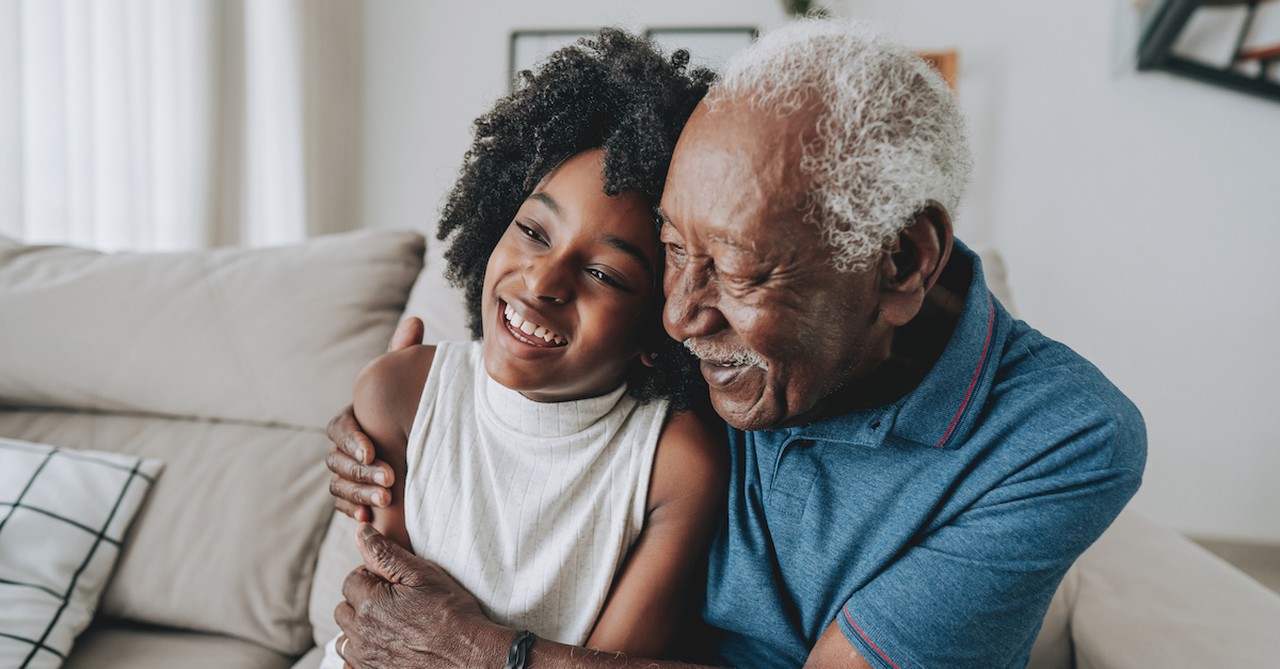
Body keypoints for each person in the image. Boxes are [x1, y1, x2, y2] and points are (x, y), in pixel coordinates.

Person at [326, 17, 1146, 669]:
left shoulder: (1060, 436)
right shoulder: (702, 347)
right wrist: (395, 418)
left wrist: (484, 655)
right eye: (675, 249)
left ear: (901, 263)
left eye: (739, 271)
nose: (679, 317)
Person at [318, 29, 727, 669]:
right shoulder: (398, 392)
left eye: (604, 274)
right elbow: (386, 631)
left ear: (660, 328)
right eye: (534, 231)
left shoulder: (676, 463)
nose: (542, 282)